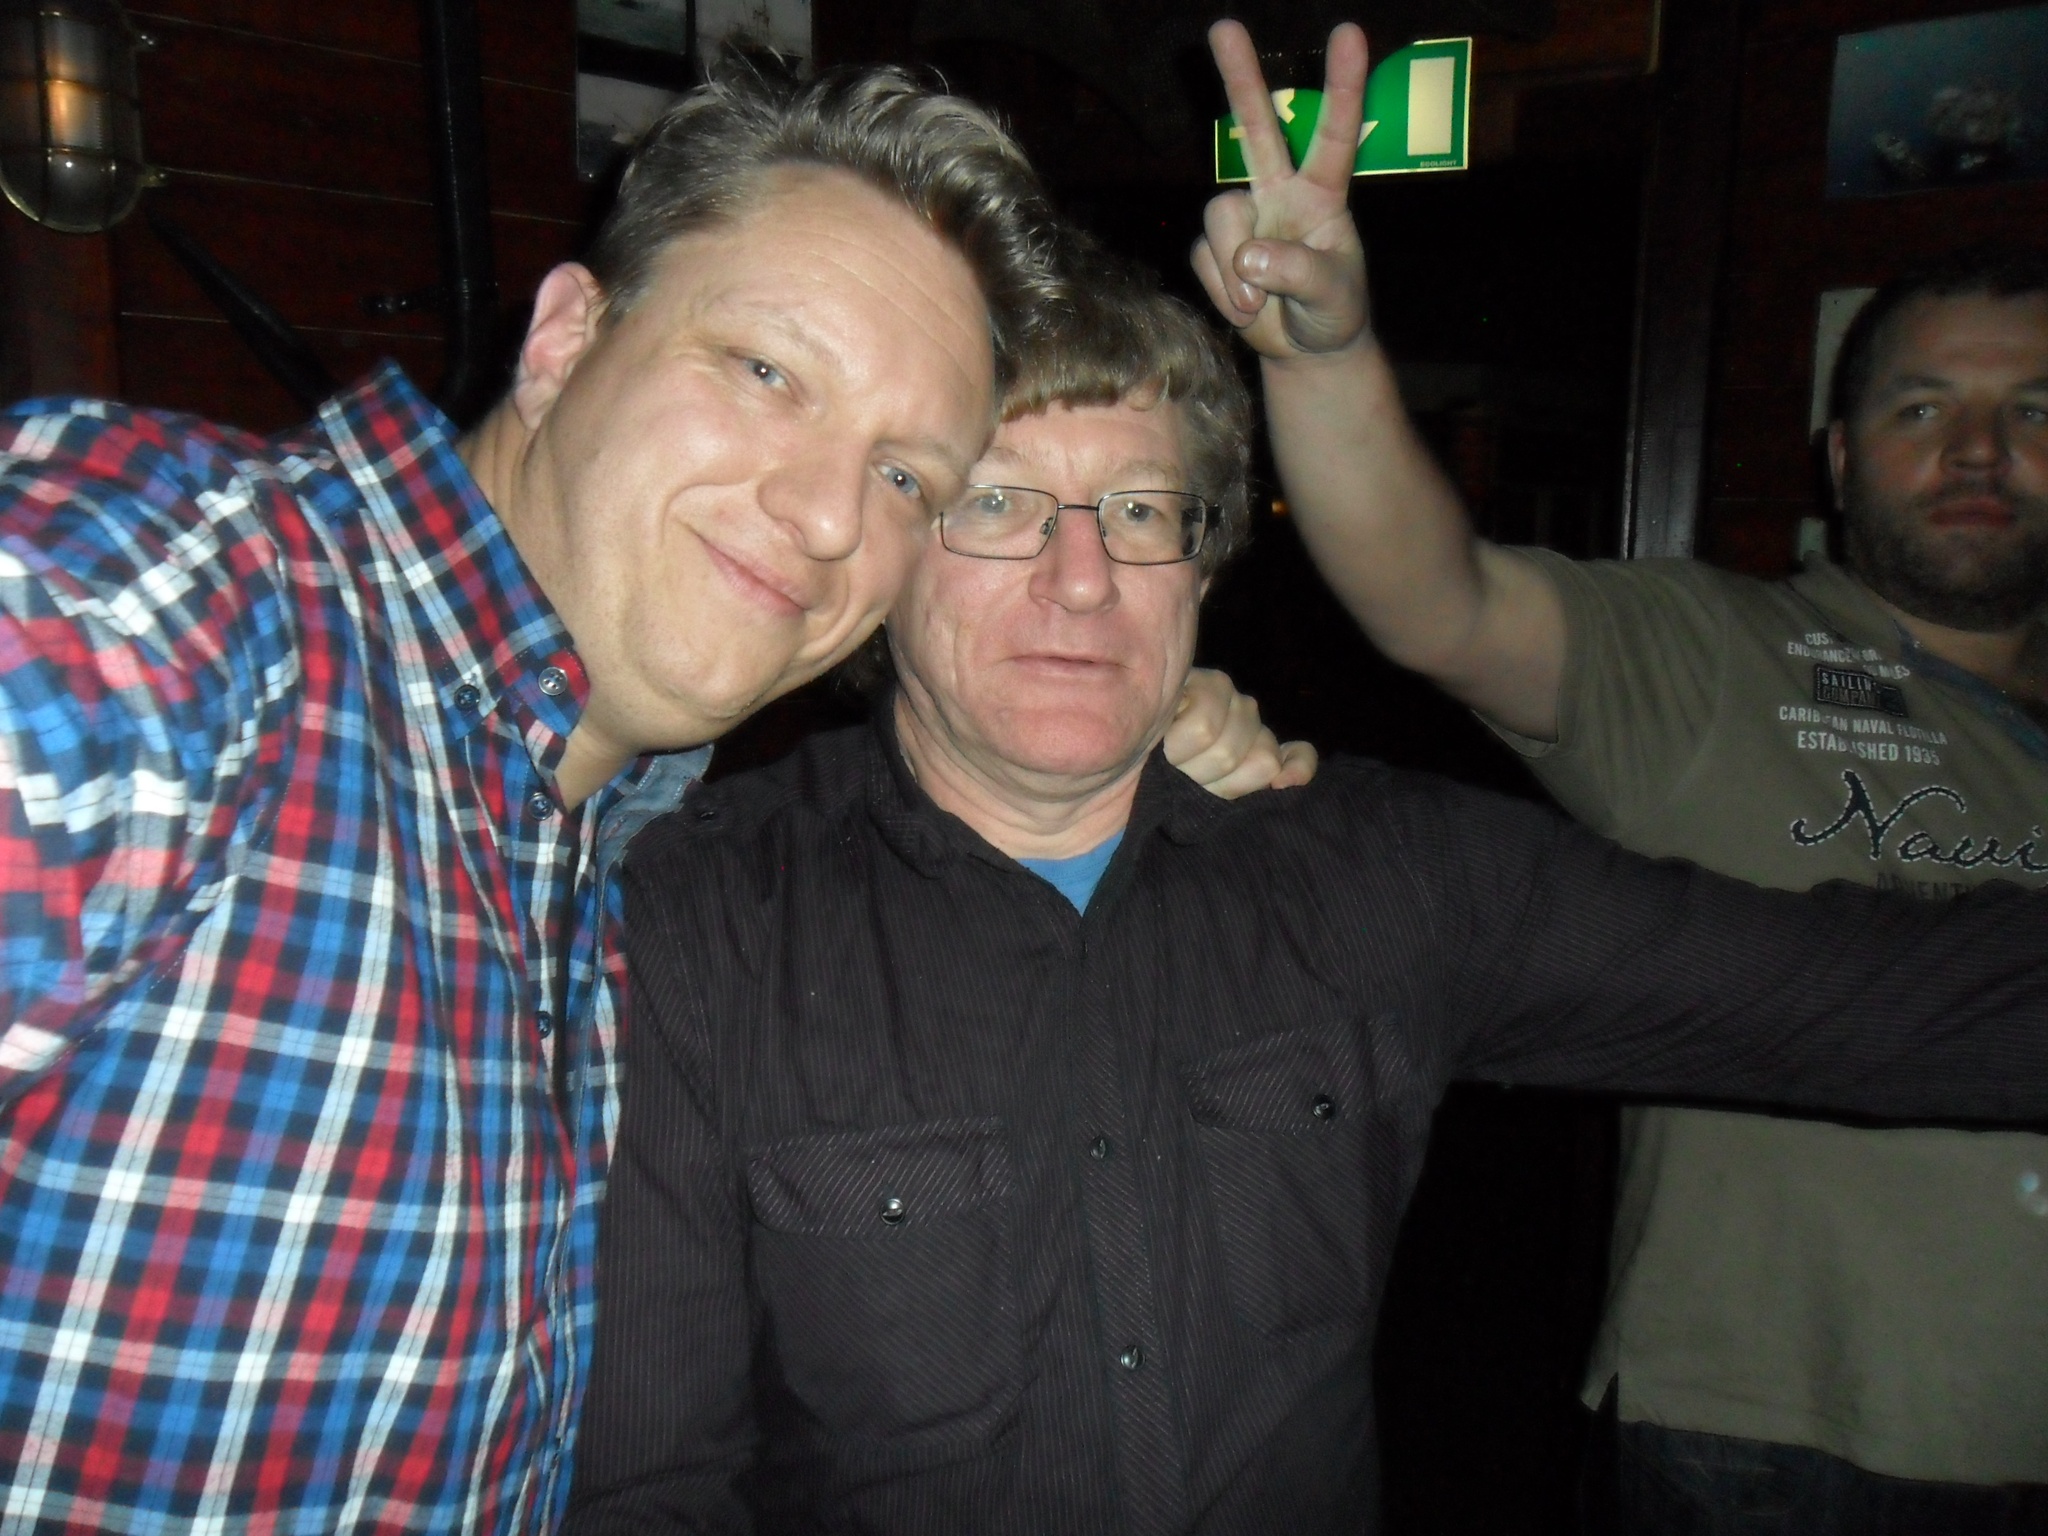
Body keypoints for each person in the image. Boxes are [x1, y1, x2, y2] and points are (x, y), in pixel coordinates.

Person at [565, 245, 2048, 1536]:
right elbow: (648, 1487)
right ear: (894, 559)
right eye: (1000, 504)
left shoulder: (1378, 873)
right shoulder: (698, 921)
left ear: (1205, 566)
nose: (1080, 579)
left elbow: (1863, 999)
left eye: (1140, 512)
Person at [0, 65, 1303, 1534]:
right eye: (768, 372)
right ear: (566, 338)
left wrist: (1124, 729)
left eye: (903, 477)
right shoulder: (163, 605)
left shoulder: (602, 830)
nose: (828, 514)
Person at [1191, 18, 2048, 1528]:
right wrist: (1324, 355)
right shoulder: (1718, 659)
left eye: (2033, 413)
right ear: (1839, 458)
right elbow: (1437, 599)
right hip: (1785, 1453)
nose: (1978, 452)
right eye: (1922, 409)